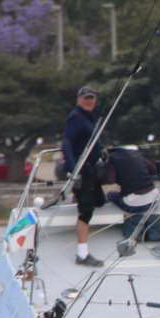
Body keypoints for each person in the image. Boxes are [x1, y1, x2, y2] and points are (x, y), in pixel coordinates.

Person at [61, 84, 107, 266]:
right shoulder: (76, 117)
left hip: (92, 169)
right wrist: (74, 170)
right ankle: (82, 254)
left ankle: (76, 197)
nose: (89, 101)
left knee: (100, 201)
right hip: (82, 170)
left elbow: (90, 141)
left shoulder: (89, 117)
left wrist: (101, 152)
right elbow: (67, 142)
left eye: (92, 98)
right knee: (86, 210)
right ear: (79, 100)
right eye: (86, 98)